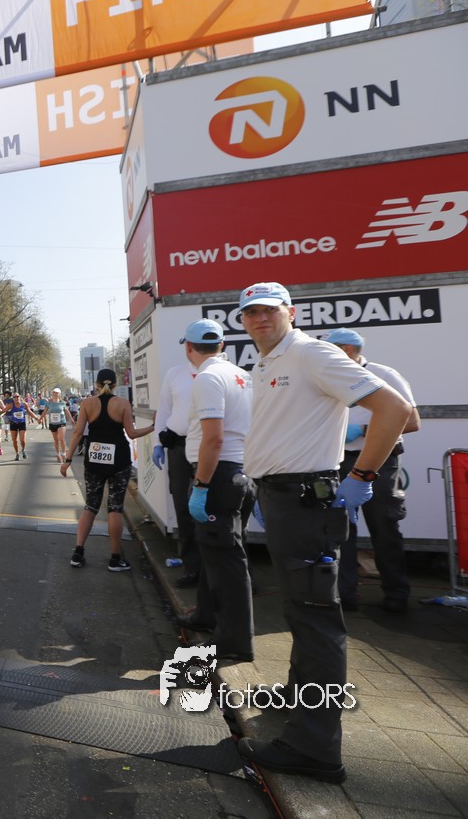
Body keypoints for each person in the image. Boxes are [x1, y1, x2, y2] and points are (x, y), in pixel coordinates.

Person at [236, 283, 411, 784]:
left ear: (290, 312)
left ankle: (313, 748)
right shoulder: (267, 362)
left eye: (270, 310)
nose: (260, 319)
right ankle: (300, 696)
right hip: (283, 498)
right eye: (251, 312)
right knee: (301, 610)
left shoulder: (311, 353)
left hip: (304, 501)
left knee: (316, 618)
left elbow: (396, 410)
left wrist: (362, 475)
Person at [321, 328, 420, 614]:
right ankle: (345, 596)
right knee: (341, 530)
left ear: (347, 349)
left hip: (379, 461)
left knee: (384, 527)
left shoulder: (384, 375)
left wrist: (362, 430)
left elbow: (411, 421)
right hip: (338, 461)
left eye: (329, 349)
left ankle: (397, 594)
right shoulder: (327, 378)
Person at [176, 319, 255, 663]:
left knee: (226, 560)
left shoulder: (207, 378)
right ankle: (206, 616)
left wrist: (201, 485)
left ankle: (234, 640)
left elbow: (214, 439)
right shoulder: (242, 375)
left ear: (188, 347)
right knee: (215, 552)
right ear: (222, 345)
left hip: (218, 475)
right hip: (238, 471)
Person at [60, 369, 153, 572]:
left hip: (94, 459)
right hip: (119, 461)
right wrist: (153, 427)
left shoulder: (87, 403)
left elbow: (77, 432)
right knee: (115, 508)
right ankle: (115, 558)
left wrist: (67, 460)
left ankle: (78, 553)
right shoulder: (123, 404)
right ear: (116, 384)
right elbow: (132, 433)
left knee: (90, 506)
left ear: (97, 384)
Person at [152, 334, 203, 590]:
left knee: (214, 510)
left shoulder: (229, 374)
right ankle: (192, 567)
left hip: (210, 449)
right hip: (179, 449)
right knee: (183, 506)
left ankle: (220, 568)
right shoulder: (175, 374)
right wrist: (157, 443)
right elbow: (164, 410)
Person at [44, 388, 70, 462]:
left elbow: (67, 411)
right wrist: (39, 419)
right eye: (54, 393)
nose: (55, 394)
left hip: (61, 422)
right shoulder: (49, 403)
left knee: (61, 439)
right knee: (56, 440)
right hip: (53, 423)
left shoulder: (63, 403)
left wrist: (71, 420)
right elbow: (45, 411)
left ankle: (64, 453)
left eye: (57, 393)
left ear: (59, 394)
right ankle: (58, 454)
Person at [6, 393, 31, 460]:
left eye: (17, 397)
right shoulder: (11, 405)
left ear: (20, 397)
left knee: (22, 440)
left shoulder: (24, 404)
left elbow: (29, 412)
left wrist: (37, 418)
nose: (16, 398)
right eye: (14, 397)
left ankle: (23, 450)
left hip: (22, 423)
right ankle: (17, 453)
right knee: (14, 440)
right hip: (13, 423)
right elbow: (3, 411)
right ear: (13, 398)